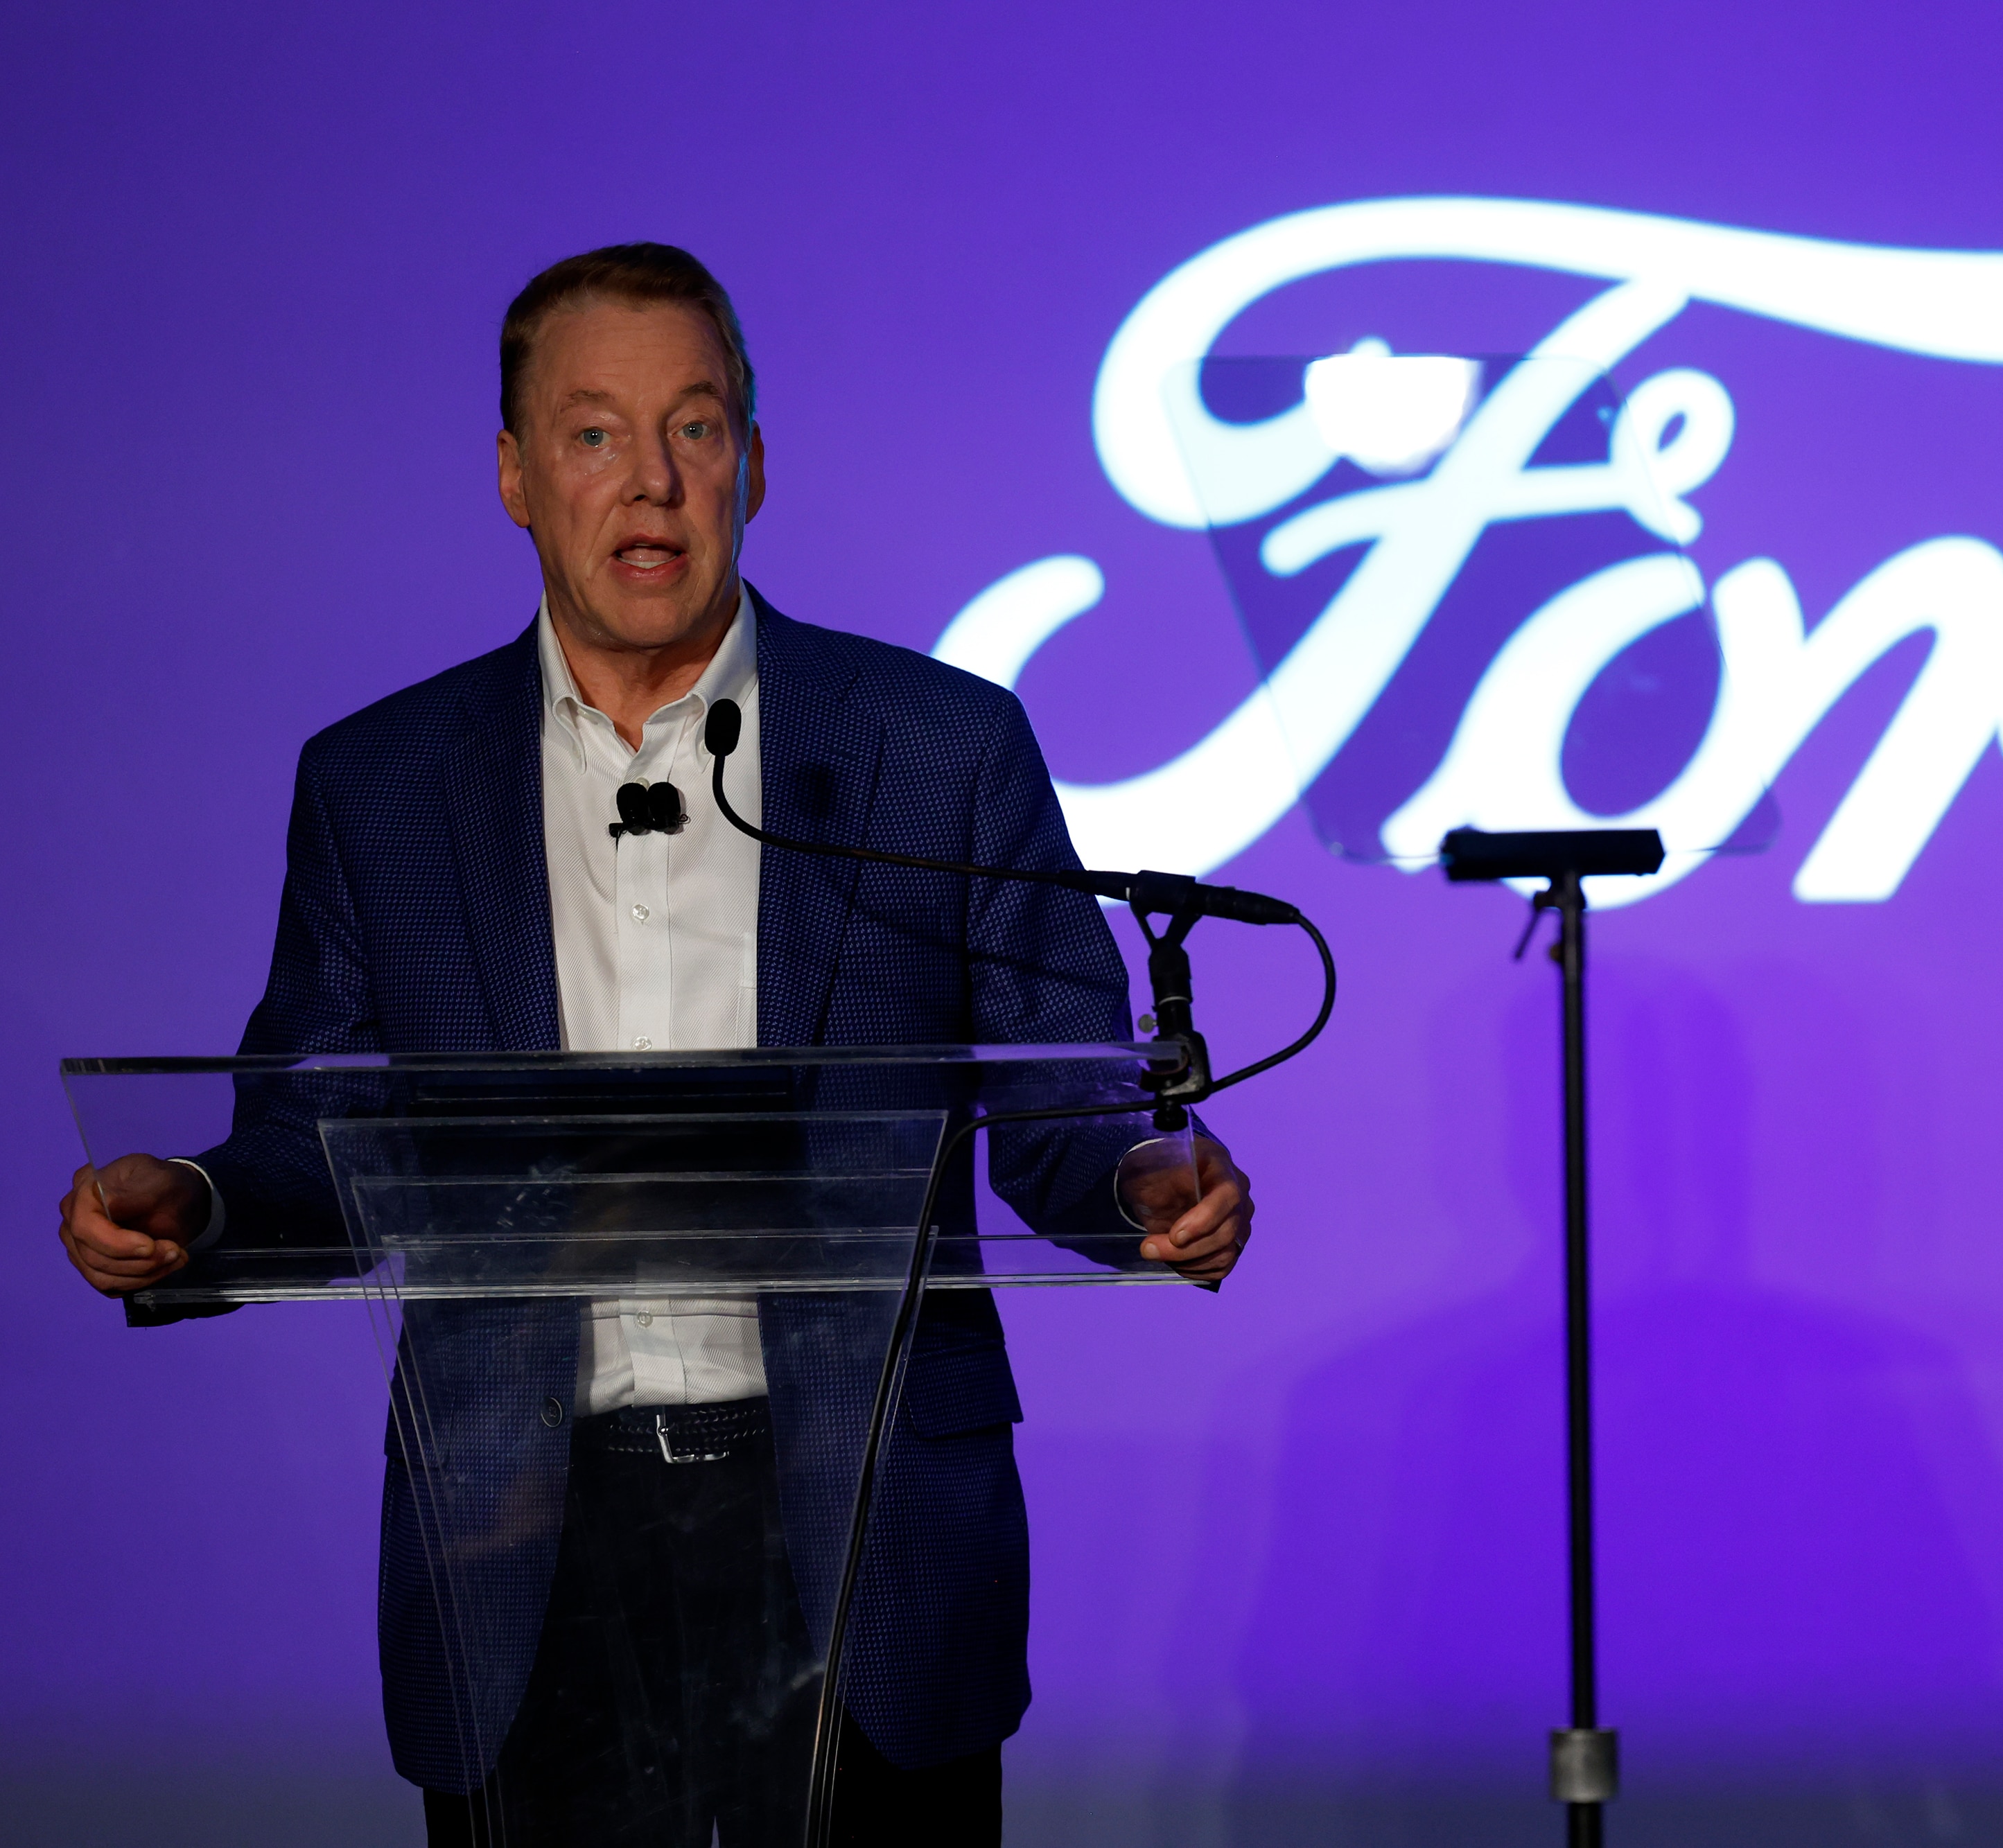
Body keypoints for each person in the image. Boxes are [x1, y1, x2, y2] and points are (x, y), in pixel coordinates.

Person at [55, 243, 1254, 1846]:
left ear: (752, 462)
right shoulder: (381, 785)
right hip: (524, 1535)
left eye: (694, 427)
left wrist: (1143, 1179)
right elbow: (319, 1139)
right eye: (595, 432)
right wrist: (196, 1203)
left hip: (864, 1523)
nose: (652, 481)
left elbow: (1059, 1097)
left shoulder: (935, 747)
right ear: (515, 475)